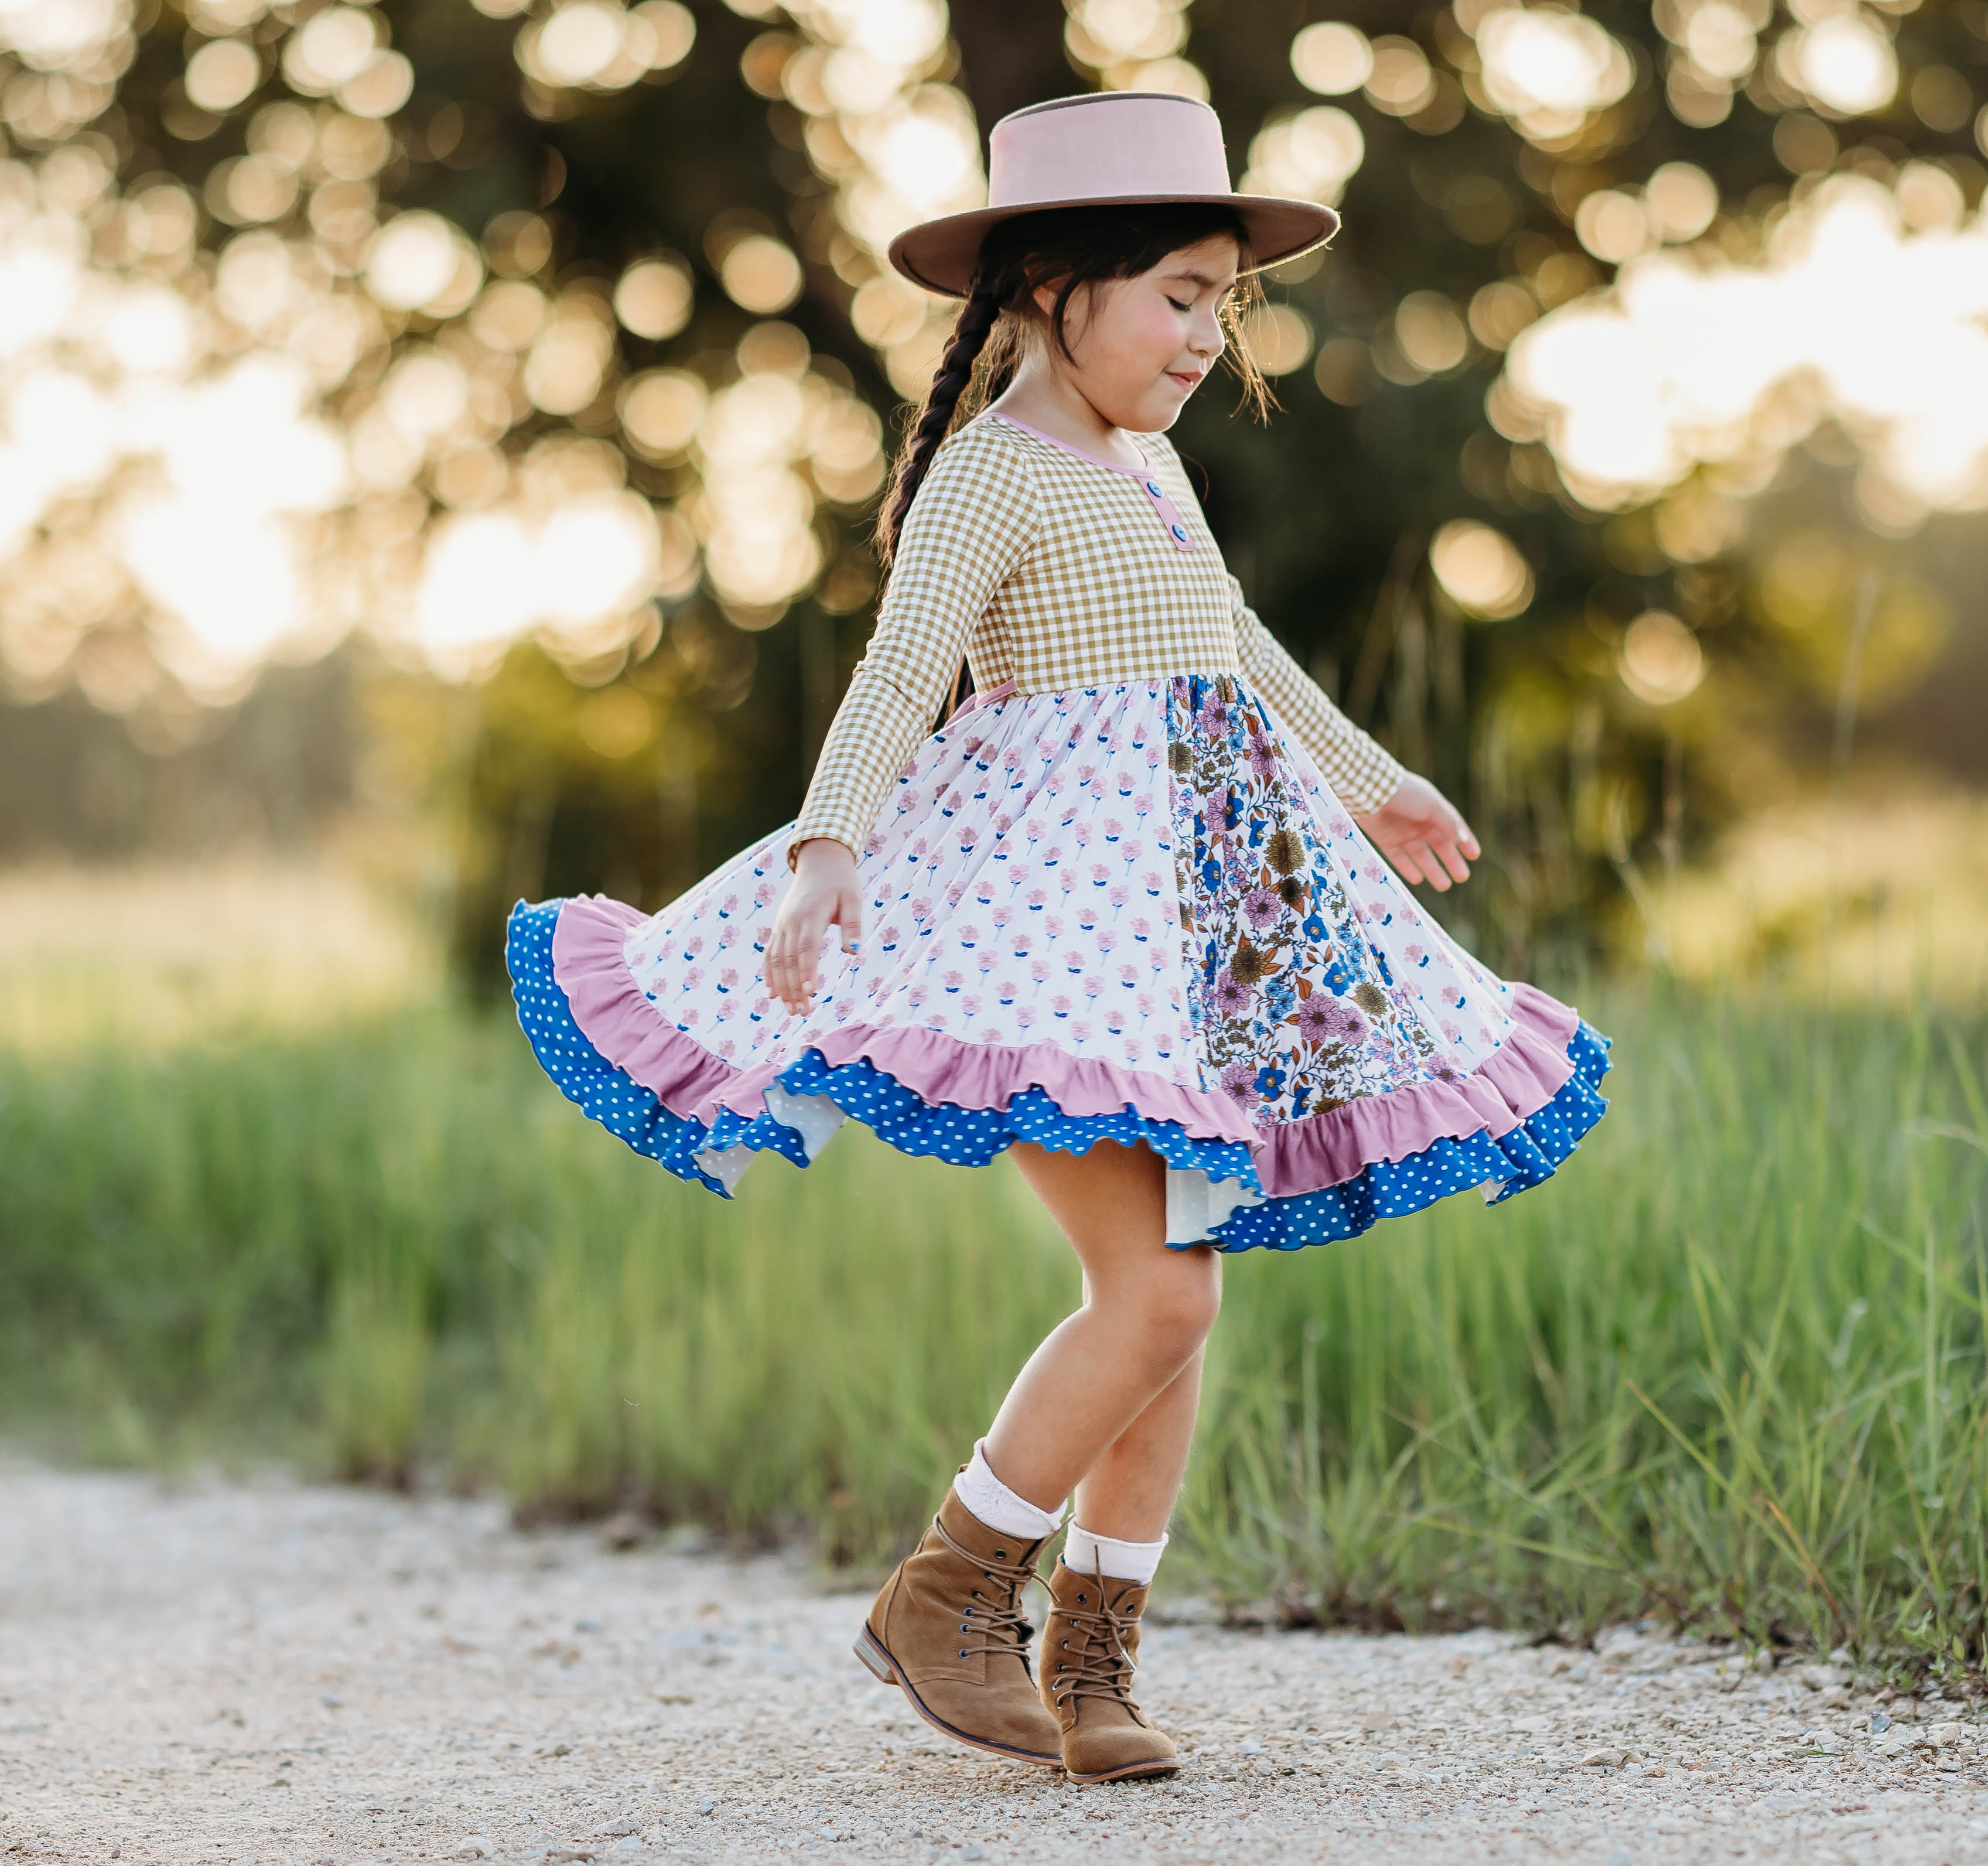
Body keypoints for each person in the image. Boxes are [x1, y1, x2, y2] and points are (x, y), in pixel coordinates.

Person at [503, 90, 1611, 1788]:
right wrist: (825, 846)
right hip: (1056, 931)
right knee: (1155, 1296)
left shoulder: (1152, 465)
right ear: (1050, 288)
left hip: (1188, 930)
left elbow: (1231, 641)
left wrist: (1375, 781)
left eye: (1222, 301)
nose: (1205, 336)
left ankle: (1093, 1665)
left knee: (1183, 1289)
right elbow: (898, 669)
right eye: (1177, 293)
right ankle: (950, 1588)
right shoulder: (990, 474)